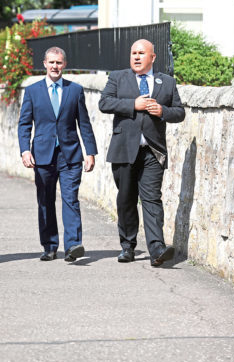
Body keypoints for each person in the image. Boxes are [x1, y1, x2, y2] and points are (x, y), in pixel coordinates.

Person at [98, 39, 185, 266]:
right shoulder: (118, 77)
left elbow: (179, 112)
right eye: (133, 53)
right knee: (126, 199)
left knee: (152, 199)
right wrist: (132, 105)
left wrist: (162, 111)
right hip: (124, 150)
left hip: (152, 152)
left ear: (152, 57)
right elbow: (104, 103)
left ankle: (157, 248)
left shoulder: (166, 82)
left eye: (141, 53)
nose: (136, 57)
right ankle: (128, 247)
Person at [18, 47, 98, 262]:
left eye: (59, 63)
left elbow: (84, 123)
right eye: (51, 62)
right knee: (45, 201)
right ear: (44, 63)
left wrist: (90, 151)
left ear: (65, 64)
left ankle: (73, 246)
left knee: (71, 199)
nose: (55, 66)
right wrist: (25, 150)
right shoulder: (33, 91)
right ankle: (50, 246)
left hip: (70, 155)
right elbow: (24, 124)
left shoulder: (75, 90)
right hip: (42, 155)